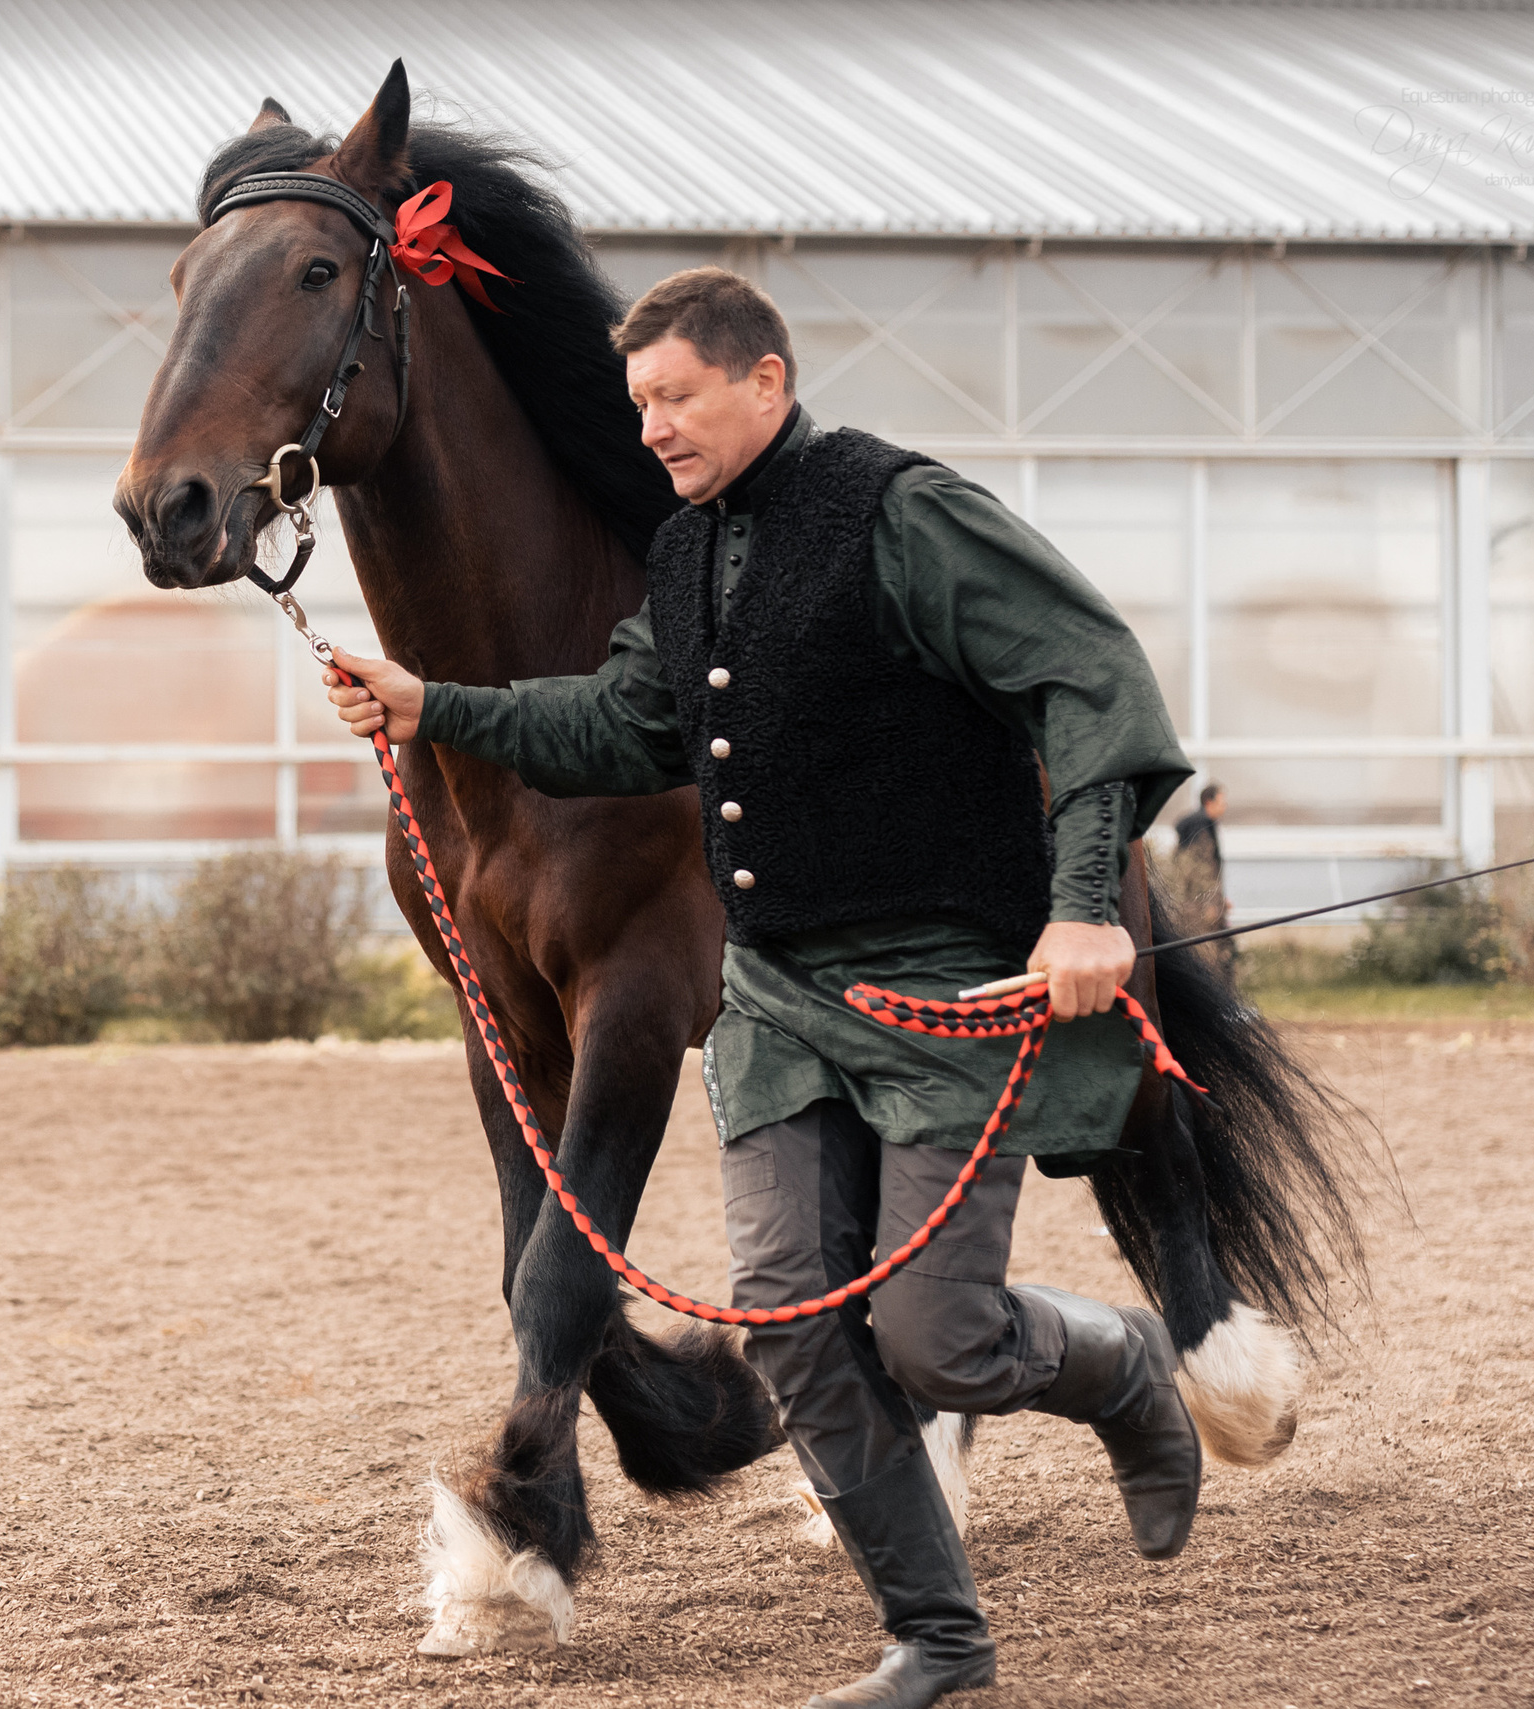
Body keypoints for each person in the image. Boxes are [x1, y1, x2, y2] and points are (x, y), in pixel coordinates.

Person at [325, 268, 1198, 1709]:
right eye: (637, 406)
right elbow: (621, 720)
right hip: (785, 1000)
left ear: (766, 381)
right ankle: (938, 1638)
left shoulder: (902, 514)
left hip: (937, 985)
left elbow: (1093, 677)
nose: (652, 428)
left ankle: (1120, 1368)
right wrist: (435, 707)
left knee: (937, 1334)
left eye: (675, 397)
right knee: (794, 1325)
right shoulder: (686, 557)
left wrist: (1089, 904)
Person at [1171, 782, 1232, 938]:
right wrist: (1212, 903)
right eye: (1221, 802)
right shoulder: (1200, 829)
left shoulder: (1204, 825)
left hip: (1199, 905)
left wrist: (1220, 900)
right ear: (1208, 802)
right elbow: (1202, 872)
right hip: (1199, 909)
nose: (1224, 806)